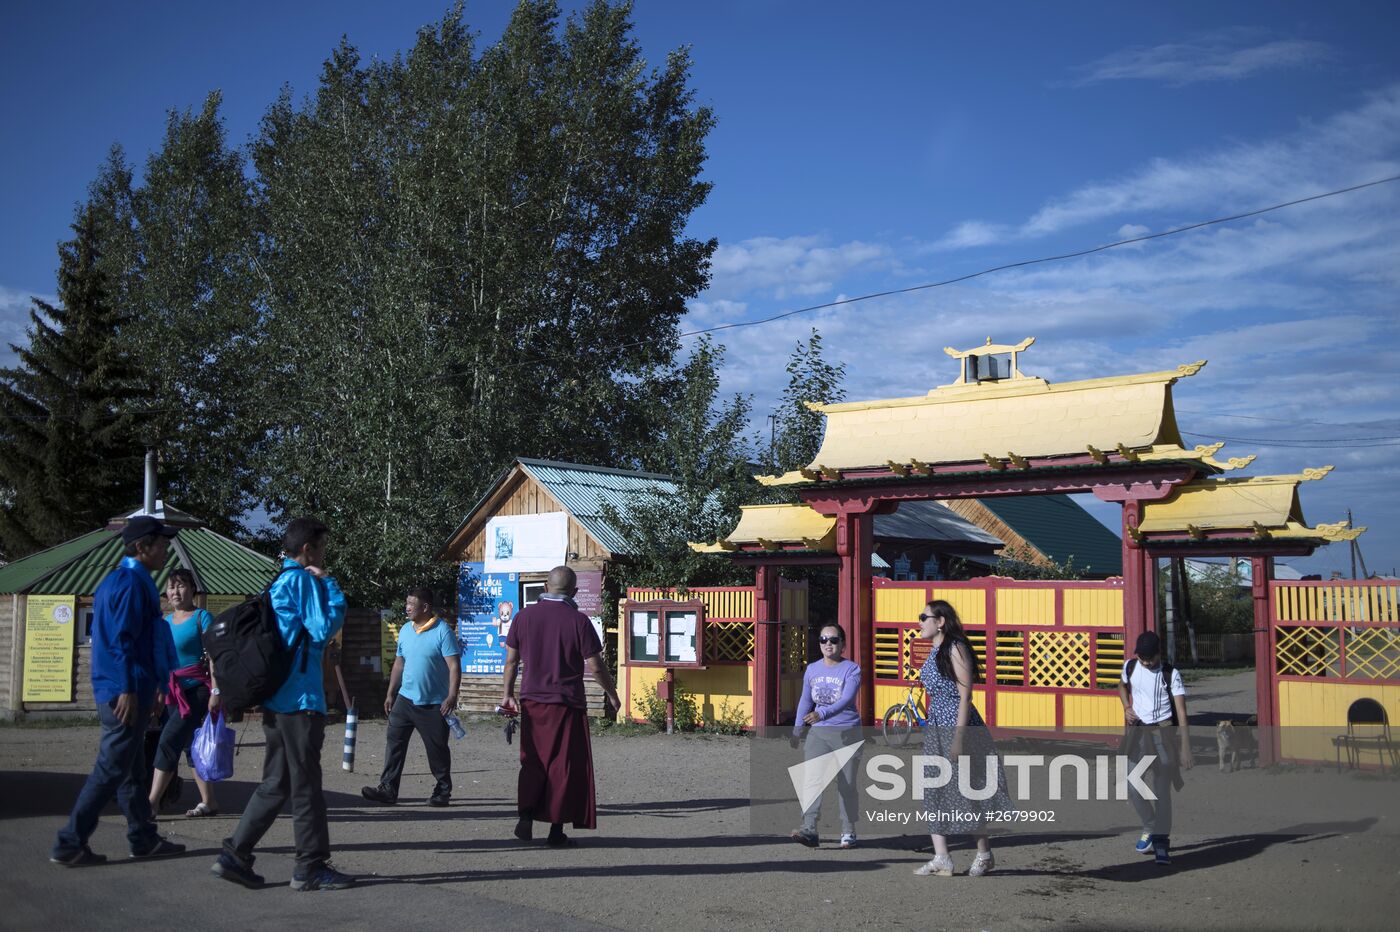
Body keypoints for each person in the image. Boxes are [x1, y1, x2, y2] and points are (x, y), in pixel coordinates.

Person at [211, 517, 352, 891]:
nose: (323, 554)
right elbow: (322, 630)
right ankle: (310, 866)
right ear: (308, 549)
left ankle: (235, 854)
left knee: (276, 783)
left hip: (276, 699)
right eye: (321, 548)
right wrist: (331, 586)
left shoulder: (275, 583)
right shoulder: (303, 580)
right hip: (301, 700)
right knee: (305, 786)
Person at [50, 516, 186, 866]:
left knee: (130, 769)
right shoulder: (128, 583)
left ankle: (143, 838)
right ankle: (70, 842)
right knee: (111, 769)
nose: (166, 550)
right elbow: (119, 642)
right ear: (141, 548)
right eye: (160, 543)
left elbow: (142, 641)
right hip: (123, 691)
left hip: (133, 687)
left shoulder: (130, 580)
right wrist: (127, 688)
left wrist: (155, 685)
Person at [500, 565, 620, 847]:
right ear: (575, 591)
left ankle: (526, 813)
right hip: (566, 703)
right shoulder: (578, 621)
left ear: (544, 586)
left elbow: (511, 661)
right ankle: (556, 831)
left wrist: (507, 694)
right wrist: (612, 694)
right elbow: (595, 666)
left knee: (533, 760)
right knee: (562, 765)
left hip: (532, 701)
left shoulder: (523, 617)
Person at [912, 600, 1010, 878]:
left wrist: (959, 738)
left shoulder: (955, 648)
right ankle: (941, 856)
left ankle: (984, 853)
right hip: (936, 730)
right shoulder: (934, 651)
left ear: (940, 621)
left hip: (958, 725)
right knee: (932, 789)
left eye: (924, 617)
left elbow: (965, 695)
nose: (919, 622)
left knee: (967, 790)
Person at [362, 587, 461, 807]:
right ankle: (388, 789)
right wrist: (391, 693)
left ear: (425, 607)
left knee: (437, 750)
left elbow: (454, 666)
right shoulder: (406, 630)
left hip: (433, 704)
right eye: (406, 603)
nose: (407, 608)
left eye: (411, 604)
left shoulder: (442, 631)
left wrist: (452, 695)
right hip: (404, 700)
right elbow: (399, 662)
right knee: (394, 745)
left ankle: (442, 791)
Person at [148, 569, 222, 818]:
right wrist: (159, 694)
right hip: (172, 692)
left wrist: (215, 691)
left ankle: (152, 802)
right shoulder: (166, 622)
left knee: (168, 741)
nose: (175, 592)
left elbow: (215, 657)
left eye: (181, 586)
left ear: (192, 589)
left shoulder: (202, 617)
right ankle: (209, 801)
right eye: (171, 587)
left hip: (198, 690)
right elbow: (162, 662)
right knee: (190, 746)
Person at [1118, 630, 1193, 866]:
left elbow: (1181, 711)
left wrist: (1185, 747)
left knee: (1162, 793)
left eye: (1149, 658)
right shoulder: (1130, 666)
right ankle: (1149, 824)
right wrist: (1126, 706)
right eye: (1141, 658)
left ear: (1159, 654)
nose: (1145, 662)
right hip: (1138, 734)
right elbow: (1121, 686)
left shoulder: (1171, 674)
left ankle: (1161, 843)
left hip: (1163, 736)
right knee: (1131, 785)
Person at [789, 623, 862, 849]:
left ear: (843, 644)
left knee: (846, 784)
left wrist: (821, 713)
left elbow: (846, 699)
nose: (828, 644)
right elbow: (805, 700)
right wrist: (797, 727)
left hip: (847, 732)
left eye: (833, 639)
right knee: (812, 779)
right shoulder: (812, 669)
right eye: (823, 639)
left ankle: (848, 831)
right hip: (819, 733)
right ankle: (809, 828)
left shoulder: (852, 669)